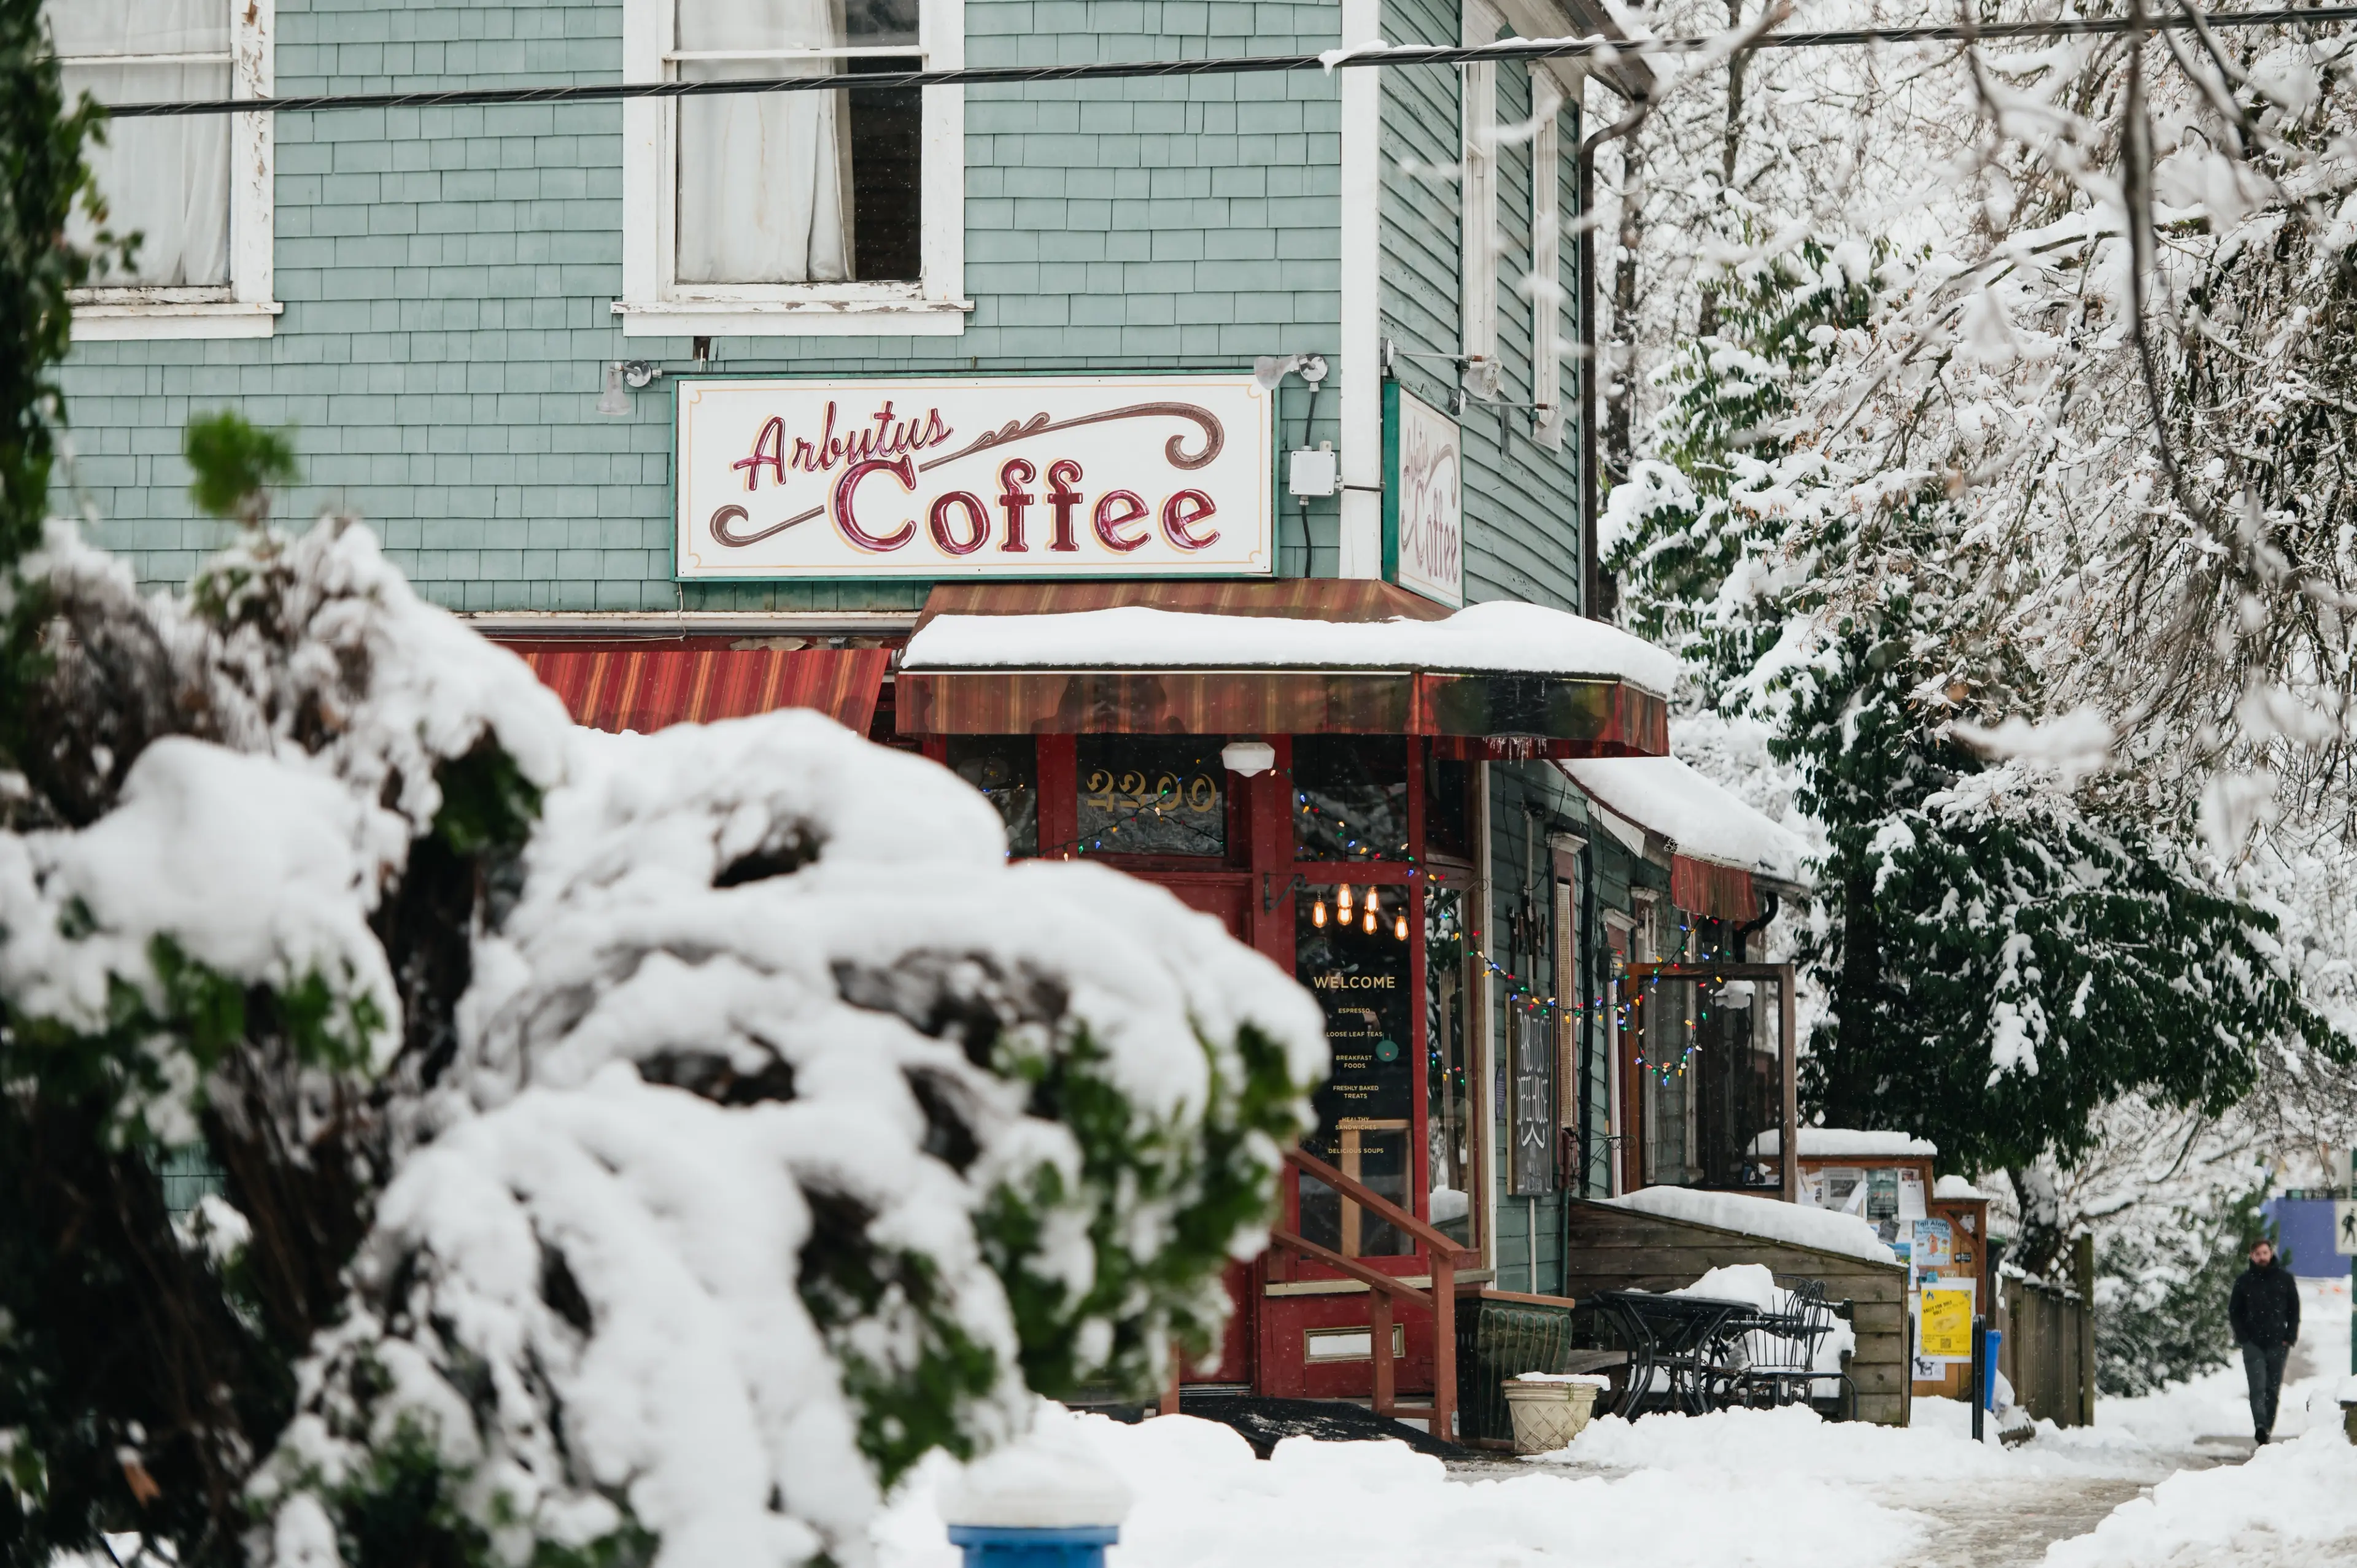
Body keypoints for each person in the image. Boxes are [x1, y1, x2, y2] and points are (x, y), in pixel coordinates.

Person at [2227, 1237, 2300, 1443]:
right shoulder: (2244, 1281)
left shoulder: (2284, 1280)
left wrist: (2290, 1336)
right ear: (2252, 1256)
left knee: (2272, 1389)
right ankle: (2260, 1426)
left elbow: (2294, 1311)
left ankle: (2268, 1426)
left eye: (2265, 1253)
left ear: (2271, 1253)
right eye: (2257, 1254)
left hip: (2278, 1342)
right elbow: (2235, 1311)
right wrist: (2243, 1337)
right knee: (2257, 1386)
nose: (2262, 1257)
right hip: (2253, 1343)